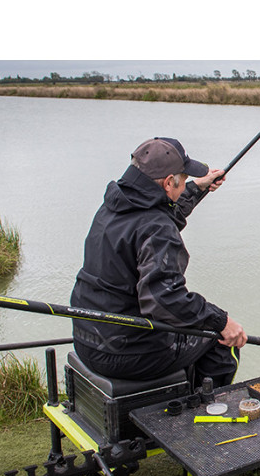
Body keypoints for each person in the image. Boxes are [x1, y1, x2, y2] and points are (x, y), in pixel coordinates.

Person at [70, 136, 247, 389]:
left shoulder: (114, 206)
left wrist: (197, 188)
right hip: (124, 352)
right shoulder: (157, 227)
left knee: (191, 328)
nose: (184, 185)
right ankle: (203, 409)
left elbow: (160, 211)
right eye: (183, 180)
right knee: (219, 341)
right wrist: (222, 322)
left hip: (88, 339)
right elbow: (164, 299)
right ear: (168, 182)